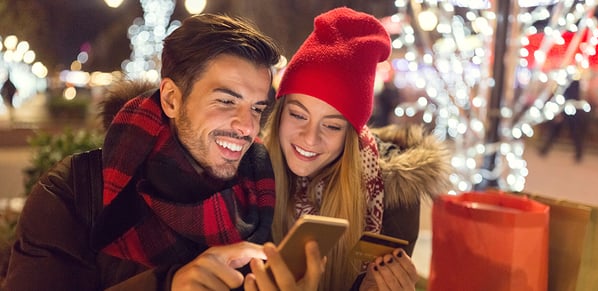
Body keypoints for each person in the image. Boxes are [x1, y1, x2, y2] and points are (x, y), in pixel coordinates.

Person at [3, 13, 323, 291]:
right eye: (226, 101)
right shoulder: (72, 193)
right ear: (171, 99)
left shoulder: (265, 191)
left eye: (256, 108)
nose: (247, 127)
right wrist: (165, 286)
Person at [253, 7, 452, 291]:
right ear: (280, 112)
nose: (310, 139)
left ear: (351, 135)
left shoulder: (392, 194)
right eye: (298, 115)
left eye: (332, 126)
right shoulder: (250, 174)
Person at [539, 79, 588, 162]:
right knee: (557, 130)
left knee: (570, 131)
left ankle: (579, 154)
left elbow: (567, 94)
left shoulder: (568, 80)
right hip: (568, 108)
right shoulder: (569, 80)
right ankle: (545, 149)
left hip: (569, 108)